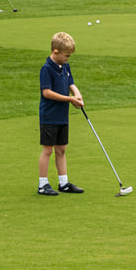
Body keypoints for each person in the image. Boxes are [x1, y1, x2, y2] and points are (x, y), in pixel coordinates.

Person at [37, 32, 85, 196]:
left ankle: (63, 182)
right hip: (49, 115)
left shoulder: (65, 66)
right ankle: (43, 184)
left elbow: (71, 82)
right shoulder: (46, 68)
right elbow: (47, 92)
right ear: (56, 51)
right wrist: (69, 99)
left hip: (62, 115)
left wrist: (77, 95)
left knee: (61, 149)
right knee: (48, 150)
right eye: (66, 56)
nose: (67, 59)